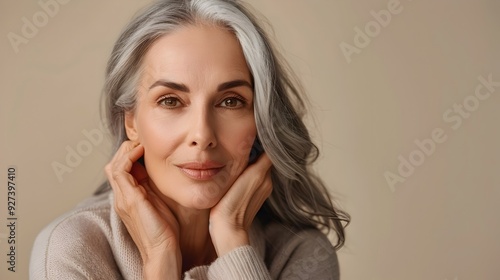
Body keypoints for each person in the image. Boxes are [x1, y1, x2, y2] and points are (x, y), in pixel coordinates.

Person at [30, 0, 350, 279]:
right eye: (170, 101)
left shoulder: (301, 254)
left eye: (230, 101)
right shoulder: (73, 247)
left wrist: (234, 243)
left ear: (261, 120)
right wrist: (159, 261)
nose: (202, 135)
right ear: (131, 122)